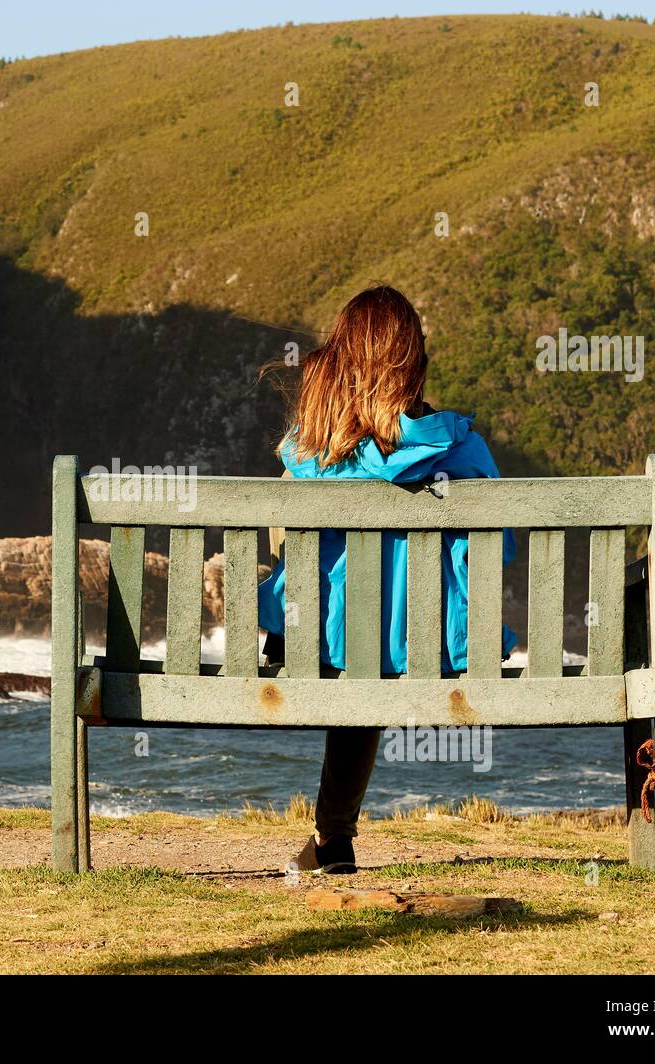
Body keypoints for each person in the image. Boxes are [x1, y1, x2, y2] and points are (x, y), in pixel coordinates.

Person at [257, 285, 516, 873]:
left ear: (339, 363)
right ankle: (332, 838)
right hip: (448, 652)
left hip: (322, 651)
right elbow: (497, 554)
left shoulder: (309, 458)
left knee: (357, 654)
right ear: (416, 366)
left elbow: (288, 556)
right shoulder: (464, 450)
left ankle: (333, 839)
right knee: (372, 652)